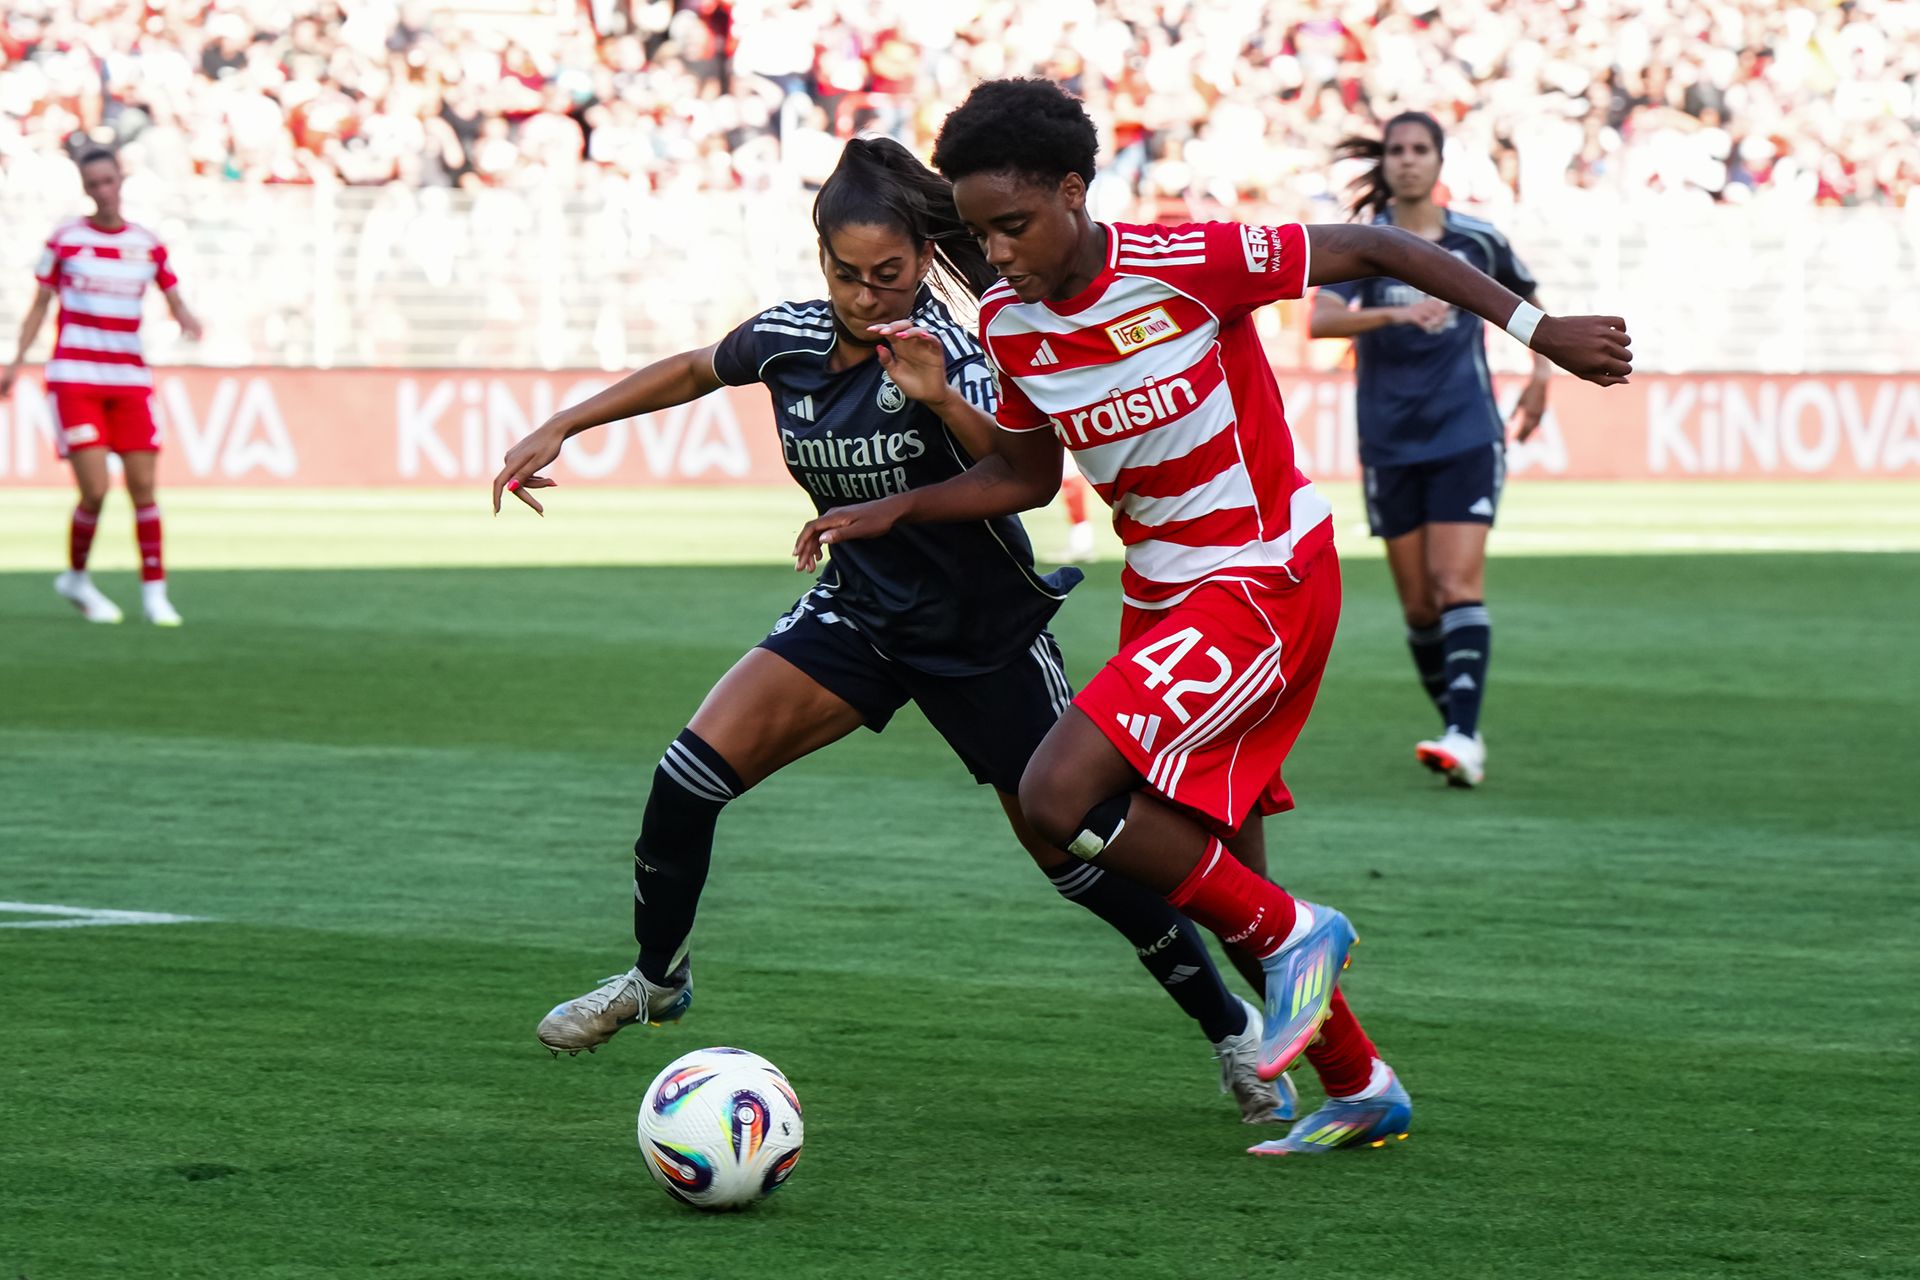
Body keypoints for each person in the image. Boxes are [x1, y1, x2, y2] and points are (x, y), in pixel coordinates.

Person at [795, 79, 1631, 1155]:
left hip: (1265, 573)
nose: (996, 254)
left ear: (1073, 191)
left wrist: (1537, 328)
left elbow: (1375, 247)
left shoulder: (1187, 262)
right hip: (1165, 596)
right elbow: (1028, 475)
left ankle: (1303, 933)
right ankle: (1360, 1081)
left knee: (1056, 794)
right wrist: (896, 505)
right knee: (1218, 867)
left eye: (1015, 225)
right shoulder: (1009, 323)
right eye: (982, 232)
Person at [491, 137, 1299, 1127]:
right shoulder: (788, 340)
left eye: (889, 274)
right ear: (820, 260)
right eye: (847, 275)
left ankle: (1233, 1031)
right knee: (686, 778)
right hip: (861, 616)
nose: (869, 297)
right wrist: (563, 424)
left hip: (983, 636)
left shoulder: (960, 349)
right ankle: (657, 979)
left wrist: (938, 396)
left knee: (1080, 858)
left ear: (924, 259)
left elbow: (1018, 472)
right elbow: (694, 369)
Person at [1310, 112, 1553, 788]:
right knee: (1419, 609)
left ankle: (1463, 736)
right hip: (1388, 441)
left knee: (1455, 586)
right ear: (1384, 161)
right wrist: (1394, 312)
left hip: (1466, 433)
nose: (1408, 160)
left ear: (1440, 162)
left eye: (1420, 149)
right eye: (1397, 150)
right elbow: (1321, 320)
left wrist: (1540, 375)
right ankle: (1458, 728)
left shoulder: (1477, 239)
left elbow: (1531, 305)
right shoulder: (1362, 243)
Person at [0, 148, 202, 627]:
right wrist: (15, 362)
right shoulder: (66, 240)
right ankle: (77, 577)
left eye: (109, 180)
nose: (103, 191)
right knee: (95, 490)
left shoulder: (147, 244)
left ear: (121, 181)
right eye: (94, 184)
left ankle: (155, 594)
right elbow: (39, 305)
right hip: (76, 378)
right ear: (85, 188)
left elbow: (174, 296)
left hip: (130, 378)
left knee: (144, 488)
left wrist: (188, 318)